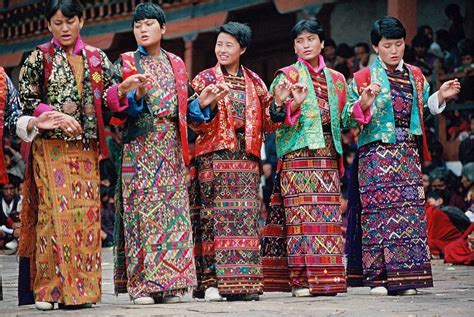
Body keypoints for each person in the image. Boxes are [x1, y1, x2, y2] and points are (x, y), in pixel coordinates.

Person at [342, 16, 461, 296]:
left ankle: (407, 277)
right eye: (387, 45)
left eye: (398, 44)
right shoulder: (362, 78)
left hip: (407, 152)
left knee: (409, 215)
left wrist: (441, 96)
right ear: (376, 47)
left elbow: (424, 109)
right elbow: (347, 118)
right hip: (375, 155)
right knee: (377, 216)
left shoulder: (416, 76)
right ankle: (379, 278)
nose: (394, 50)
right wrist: (364, 103)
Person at [18, 0, 116, 310]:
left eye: (70, 21)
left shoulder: (98, 59)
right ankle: (49, 290)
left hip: (85, 149)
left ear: (82, 22)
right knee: (51, 213)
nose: (64, 28)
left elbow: (111, 100)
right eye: (58, 22)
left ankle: (83, 291)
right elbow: (27, 99)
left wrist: (125, 90)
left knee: (84, 218)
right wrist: (54, 115)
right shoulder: (38, 57)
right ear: (49, 25)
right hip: (50, 147)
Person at [105, 2, 202, 304]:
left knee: (172, 215)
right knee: (141, 215)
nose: (143, 29)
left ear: (163, 28)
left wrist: (205, 103)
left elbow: (188, 109)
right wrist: (131, 95)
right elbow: (113, 105)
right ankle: (142, 286)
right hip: (139, 147)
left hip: (171, 145)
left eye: (149, 24)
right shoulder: (125, 63)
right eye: (138, 25)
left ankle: (171, 284)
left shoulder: (176, 63)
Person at [189, 22, 280, 301]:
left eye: (229, 44)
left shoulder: (256, 82)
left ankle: (245, 282)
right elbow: (193, 120)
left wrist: (279, 105)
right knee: (211, 219)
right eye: (219, 44)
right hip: (214, 159)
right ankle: (212, 282)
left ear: (242, 48)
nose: (223, 50)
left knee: (245, 219)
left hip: (246, 160)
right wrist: (204, 105)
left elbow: (268, 121)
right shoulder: (204, 79)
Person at [262, 19, 348, 297]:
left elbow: (344, 119)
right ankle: (301, 282)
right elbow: (270, 120)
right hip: (297, 156)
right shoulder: (285, 76)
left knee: (327, 220)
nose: (305, 45)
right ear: (294, 46)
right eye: (299, 41)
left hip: (327, 156)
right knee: (299, 219)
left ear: (322, 43)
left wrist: (364, 107)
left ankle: (329, 281)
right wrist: (289, 104)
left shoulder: (337, 79)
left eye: (311, 39)